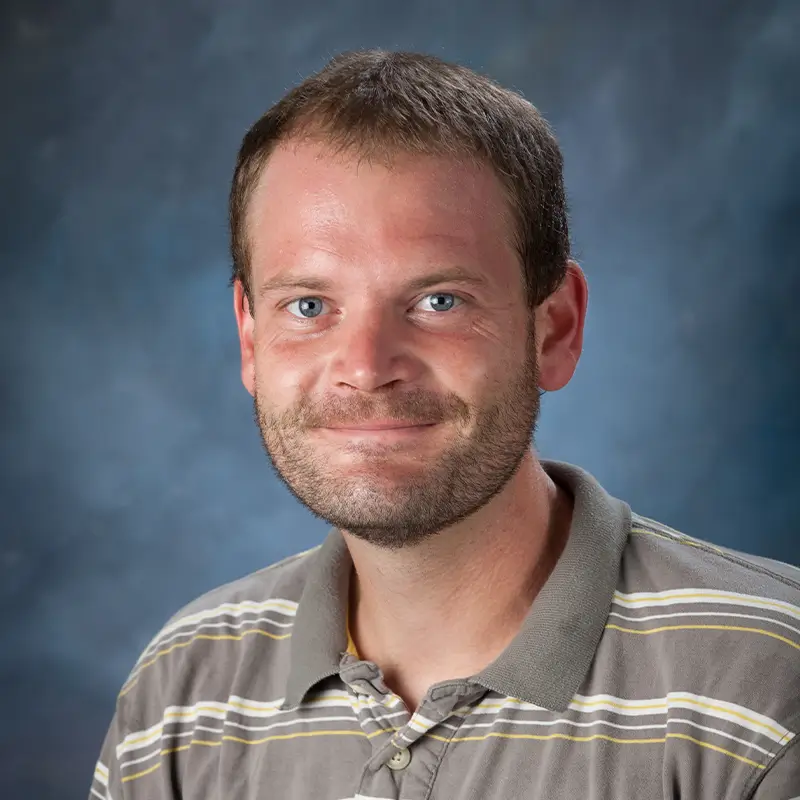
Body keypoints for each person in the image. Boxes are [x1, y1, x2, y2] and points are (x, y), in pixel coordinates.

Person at [89, 50, 799, 800]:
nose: (365, 367)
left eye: (439, 301)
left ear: (555, 328)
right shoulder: (180, 695)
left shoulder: (768, 687)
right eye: (308, 306)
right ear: (250, 339)